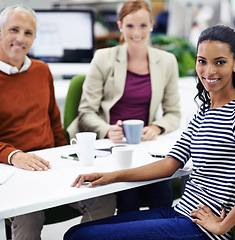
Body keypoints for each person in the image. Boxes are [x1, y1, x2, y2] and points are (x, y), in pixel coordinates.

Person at [64, 25, 235, 240]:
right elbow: (170, 164)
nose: (209, 71)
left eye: (219, 62)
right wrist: (111, 177)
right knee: (76, 232)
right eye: (202, 61)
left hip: (203, 230)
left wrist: (223, 226)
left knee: (83, 237)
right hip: (181, 213)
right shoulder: (204, 111)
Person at [0, 5, 115, 240]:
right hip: (14, 171)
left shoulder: (42, 70)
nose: (20, 38)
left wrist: (63, 159)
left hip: (50, 165)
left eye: (28, 33)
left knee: (103, 200)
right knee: (28, 217)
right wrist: (16, 156)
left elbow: (54, 122)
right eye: (14, 30)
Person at [67, 0, 181, 214]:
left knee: (162, 187)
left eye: (143, 26)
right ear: (120, 26)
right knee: (127, 193)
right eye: (129, 26)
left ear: (152, 25)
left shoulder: (167, 61)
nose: (137, 32)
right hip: (110, 146)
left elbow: (173, 113)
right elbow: (86, 111)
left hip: (143, 146)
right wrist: (107, 129)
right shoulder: (104, 58)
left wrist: (156, 127)